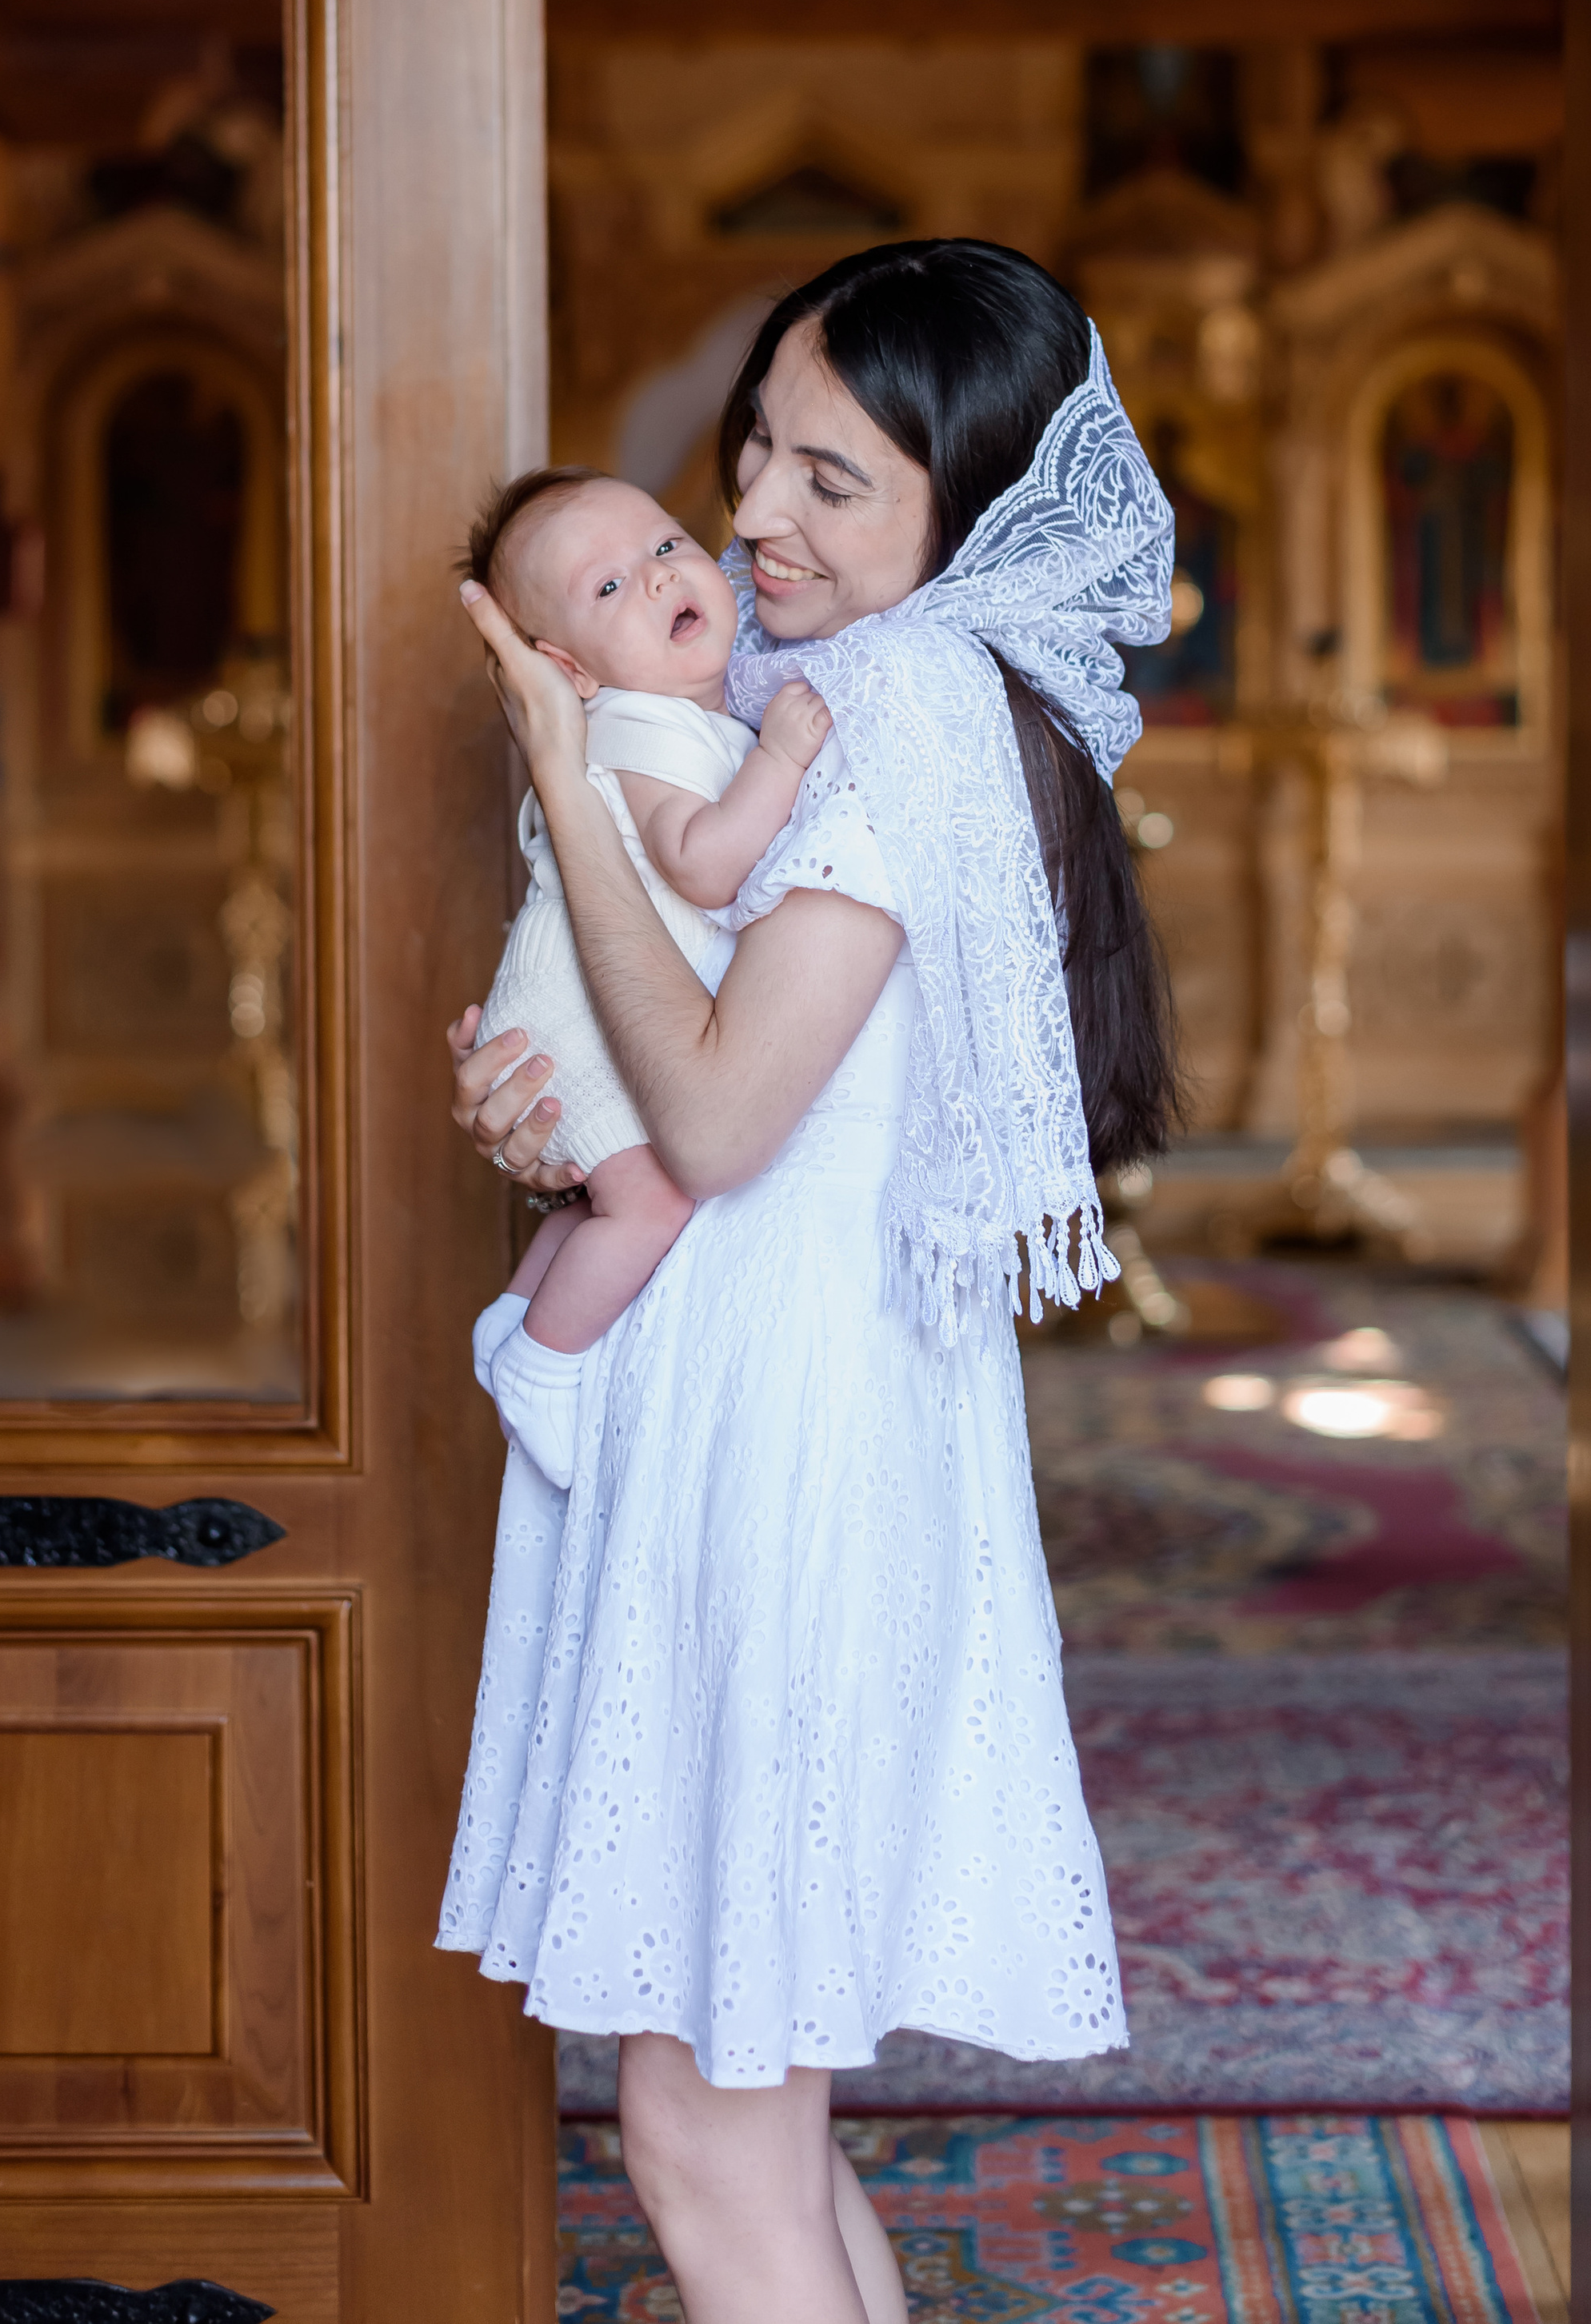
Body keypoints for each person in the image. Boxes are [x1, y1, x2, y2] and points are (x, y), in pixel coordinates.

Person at [440, 238, 1181, 2324]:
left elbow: (721, 1131)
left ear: (972, 503)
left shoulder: (894, 713)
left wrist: (554, 744)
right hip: (791, 1410)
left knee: (695, 2128)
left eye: (831, 478)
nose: (756, 512)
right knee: (762, 2118)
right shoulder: (822, 695)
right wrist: (538, 1102)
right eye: (755, 446)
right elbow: (672, 1061)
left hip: (782, 1449)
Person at [458, 465, 832, 1485]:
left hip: (578, 998)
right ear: (567, 671)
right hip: (578, 1012)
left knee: (599, 1202)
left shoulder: (680, 717)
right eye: (610, 588)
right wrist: (784, 762)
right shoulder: (637, 726)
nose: (661, 579)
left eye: (665, 547)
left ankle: (514, 1320)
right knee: (650, 1201)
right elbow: (704, 860)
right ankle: (546, 1363)